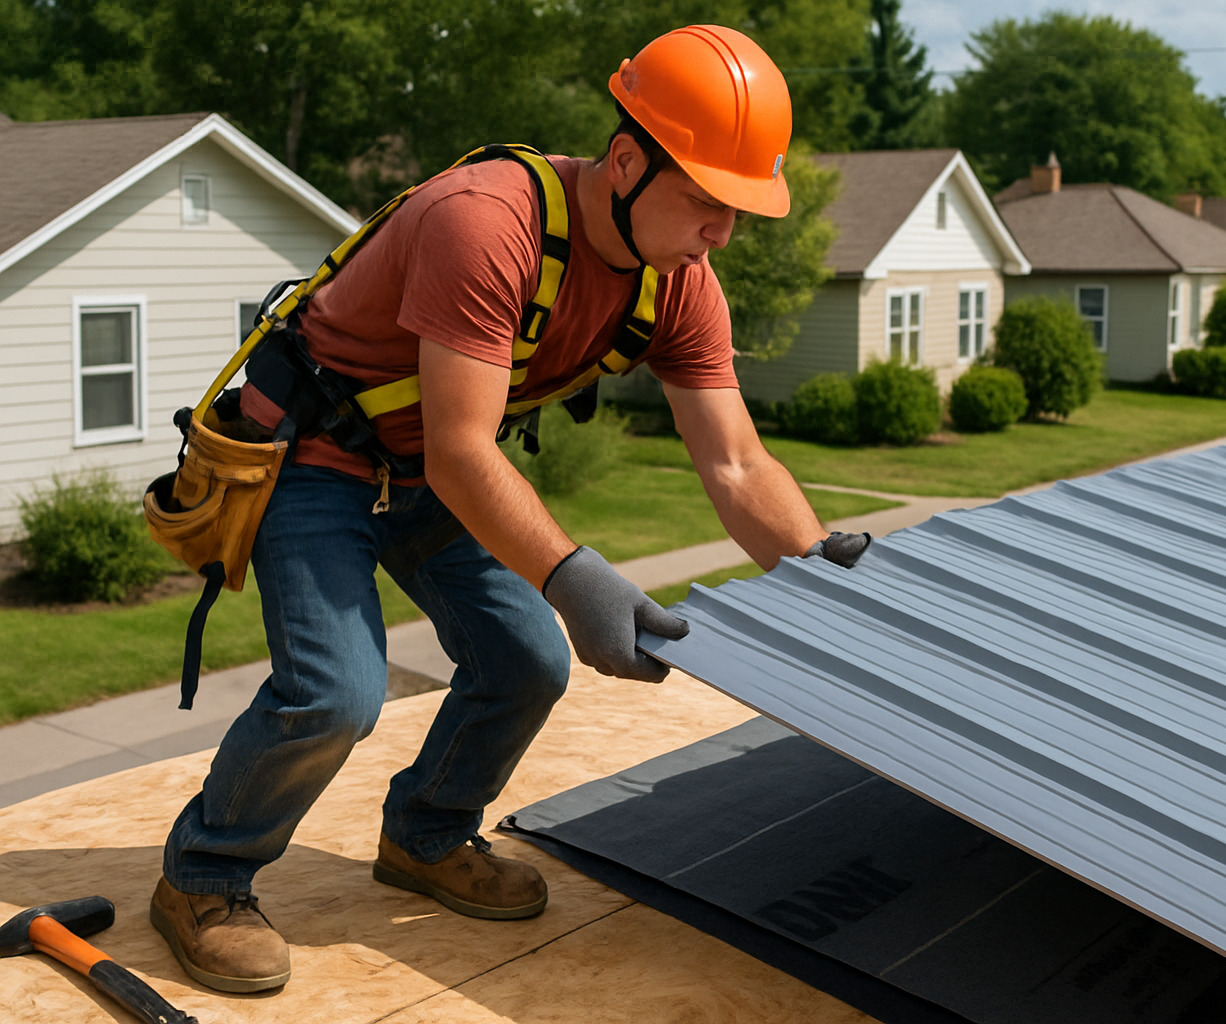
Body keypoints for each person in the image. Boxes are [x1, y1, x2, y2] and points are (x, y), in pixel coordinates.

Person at [148, 23, 869, 994]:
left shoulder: (681, 286)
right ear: (625, 160)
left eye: (740, 208)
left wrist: (822, 563)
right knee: (338, 692)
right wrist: (578, 582)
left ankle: (427, 837)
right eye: (708, 199)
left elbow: (737, 464)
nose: (724, 233)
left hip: (432, 472)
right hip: (320, 458)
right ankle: (204, 876)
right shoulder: (487, 223)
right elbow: (462, 449)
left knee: (526, 660)